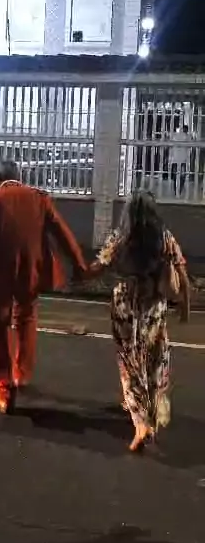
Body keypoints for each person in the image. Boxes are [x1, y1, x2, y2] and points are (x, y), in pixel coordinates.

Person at [0, 159, 87, 415]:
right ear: (19, 177)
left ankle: (4, 390)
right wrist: (79, 265)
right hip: (30, 271)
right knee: (26, 317)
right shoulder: (39, 200)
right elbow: (63, 234)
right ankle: (22, 374)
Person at [85, 190, 190, 452]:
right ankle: (152, 410)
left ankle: (141, 424)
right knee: (154, 358)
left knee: (129, 363)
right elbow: (182, 273)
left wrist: (76, 270)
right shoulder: (164, 237)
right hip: (153, 307)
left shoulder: (121, 237)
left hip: (125, 307)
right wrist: (185, 307)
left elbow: (98, 267)